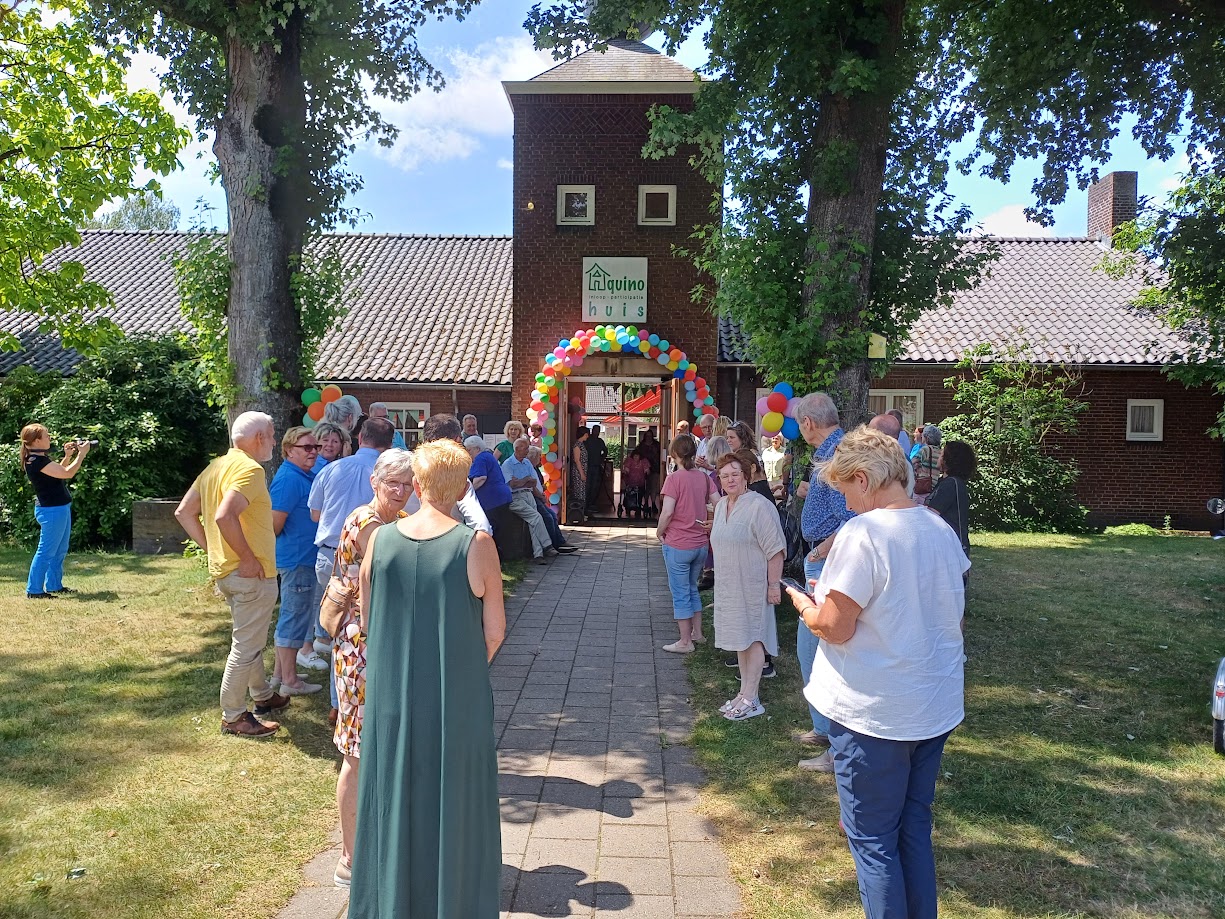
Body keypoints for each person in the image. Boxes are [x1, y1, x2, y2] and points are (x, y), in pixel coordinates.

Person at [783, 425, 968, 919]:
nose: (845, 502)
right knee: (912, 829)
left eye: (844, 490)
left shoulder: (863, 534)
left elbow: (836, 627)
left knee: (872, 841)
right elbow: (953, 614)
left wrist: (804, 605)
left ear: (863, 480)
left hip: (875, 714)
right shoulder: (938, 528)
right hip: (933, 706)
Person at [348, 438, 506, 918]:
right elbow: (494, 632)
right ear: (461, 490)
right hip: (456, 694)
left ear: (416, 485)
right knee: (456, 796)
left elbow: (368, 620)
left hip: (391, 691)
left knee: (392, 795)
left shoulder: (379, 540)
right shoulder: (476, 546)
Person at [175, 412, 289, 739]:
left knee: (248, 638)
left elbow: (184, 512)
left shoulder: (215, 467)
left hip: (228, 572)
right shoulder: (250, 469)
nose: (273, 441)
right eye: (270, 434)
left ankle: (263, 696)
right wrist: (248, 558)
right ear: (258, 439)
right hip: (250, 574)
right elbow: (225, 516)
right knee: (245, 645)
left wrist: (214, 549)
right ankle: (234, 715)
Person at [331, 448, 415, 889]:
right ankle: (349, 857)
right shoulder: (371, 527)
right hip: (360, 650)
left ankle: (371, 846)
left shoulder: (391, 523)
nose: (400, 492)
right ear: (374, 483)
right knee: (358, 753)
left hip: (374, 646)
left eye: (407, 484)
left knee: (373, 750)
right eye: (392, 484)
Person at [309, 417, 396, 716]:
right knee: (362, 630)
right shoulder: (389, 475)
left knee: (339, 628)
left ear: (360, 438)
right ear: (390, 443)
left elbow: (315, 514)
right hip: (366, 556)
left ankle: (340, 702)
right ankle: (354, 699)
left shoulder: (331, 468)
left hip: (331, 556)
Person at [795, 391, 856, 769]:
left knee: (821, 650)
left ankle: (835, 745)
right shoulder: (836, 449)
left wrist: (819, 552)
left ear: (808, 423)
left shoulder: (836, 454)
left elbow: (849, 517)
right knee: (811, 648)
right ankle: (824, 729)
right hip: (823, 557)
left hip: (827, 559)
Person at [709, 452, 786, 721]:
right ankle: (743, 693)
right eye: (724, 475)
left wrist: (773, 585)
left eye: (735, 474)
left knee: (752, 637)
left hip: (753, 584)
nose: (730, 479)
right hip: (728, 585)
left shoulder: (759, 506)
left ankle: (753, 699)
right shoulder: (720, 507)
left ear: (746, 476)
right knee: (740, 639)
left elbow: (775, 549)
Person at [269, 426, 324, 695]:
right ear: (289, 450)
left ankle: (281, 676)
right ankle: (290, 682)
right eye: (307, 448)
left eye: (316, 447)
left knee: (297, 617)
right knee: (293, 618)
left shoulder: (302, 474)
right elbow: (274, 524)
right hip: (297, 559)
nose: (313, 452)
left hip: (304, 557)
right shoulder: (289, 479)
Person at [656, 433, 718, 653]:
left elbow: (667, 512)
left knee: (680, 592)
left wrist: (659, 532)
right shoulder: (703, 478)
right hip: (700, 543)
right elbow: (719, 503)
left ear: (674, 455)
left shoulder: (673, 479)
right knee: (692, 588)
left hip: (678, 543)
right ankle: (697, 633)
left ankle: (684, 641)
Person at [20, 424, 91, 599]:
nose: (49, 438)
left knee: (59, 550)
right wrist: (81, 454)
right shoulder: (37, 461)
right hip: (52, 511)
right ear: (36, 440)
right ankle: (34, 590)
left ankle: (54, 585)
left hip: (58, 508)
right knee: (46, 551)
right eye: (46, 436)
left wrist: (67, 456)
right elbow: (67, 473)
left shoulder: (39, 458)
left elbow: (58, 472)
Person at [412, 414, 492, 535]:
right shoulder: (456, 476)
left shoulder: (399, 467)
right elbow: (481, 525)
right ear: (457, 441)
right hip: (446, 543)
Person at [501, 437, 559, 563]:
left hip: (529, 494)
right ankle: (547, 545)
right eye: (525, 448)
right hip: (515, 497)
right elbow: (512, 484)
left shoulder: (527, 463)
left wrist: (523, 481)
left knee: (533, 523)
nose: (527, 450)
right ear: (517, 449)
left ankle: (538, 555)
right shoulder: (508, 464)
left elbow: (533, 482)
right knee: (536, 517)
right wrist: (525, 480)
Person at [926, 440, 976, 563]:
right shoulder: (950, 482)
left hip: (951, 549)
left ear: (949, 460)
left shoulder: (950, 484)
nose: (939, 457)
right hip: (952, 546)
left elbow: (930, 516)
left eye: (942, 455)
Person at [527, 446, 577, 553]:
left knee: (552, 515)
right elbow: (531, 486)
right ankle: (552, 544)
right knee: (548, 517)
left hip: (539, 496)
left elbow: (539, 483)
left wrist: (543, 489)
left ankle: (560, 542)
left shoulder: (535, 468)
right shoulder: (528, 467)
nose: (540, 459)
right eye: (539, 456)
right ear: (533, 457)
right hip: (533, 497)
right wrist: (541, 495)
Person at [913, 424, 943, 501]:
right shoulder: (941, 452)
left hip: (923, 487)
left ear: (926, 438)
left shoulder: (925, 450)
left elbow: (912, 463)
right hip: (935, 488)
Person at [619, 447, 650, 519]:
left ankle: (638, 507)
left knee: (640, 494)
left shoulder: (643, 462)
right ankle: (628, 508)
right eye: (634, 456)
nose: (636, 457)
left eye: (637, 456)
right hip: (630, 482)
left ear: (640, 456)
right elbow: (626, 469)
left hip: (640, 483)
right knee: (628, 493)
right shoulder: (629, 461)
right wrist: (625, 473)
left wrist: (646, 472)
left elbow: (647, 471)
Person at [586, 423, 609, 515]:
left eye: (598, 431)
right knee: (587, 486)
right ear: (592, 430)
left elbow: (605, 450)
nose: (597, 432)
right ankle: (586, 504)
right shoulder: (587, 440)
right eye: (596, 430)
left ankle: (592, 504)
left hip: (596, 466)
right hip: (587, 466)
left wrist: (601, 459)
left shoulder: (600, 441)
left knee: (595, 486)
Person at [569, 425, 590, 523]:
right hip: (578, 472)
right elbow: (577, 460)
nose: (587, 436)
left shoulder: (581, 444)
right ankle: (579, 513)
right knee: (579, 493)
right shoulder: (577, 445)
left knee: (582, 492)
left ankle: (581, 513)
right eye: (586, 434)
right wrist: (581, 473)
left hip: (582, 470)